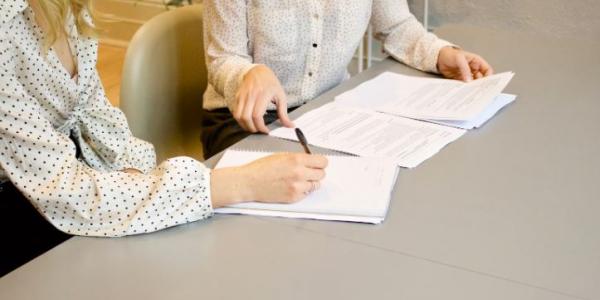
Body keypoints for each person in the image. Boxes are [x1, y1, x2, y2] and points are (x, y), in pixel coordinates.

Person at [0, 0, 328, 277]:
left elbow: (97, 116)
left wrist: (133, 177)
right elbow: (66, 191)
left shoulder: (67, 8)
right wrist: (240, 184)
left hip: (67, 182)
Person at [201, 1, 495, 158]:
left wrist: (440, 53)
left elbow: (397, 26)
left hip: (328, 112)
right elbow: (223, 58)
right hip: (244, 121)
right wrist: (248, 74)